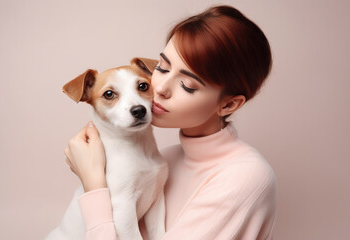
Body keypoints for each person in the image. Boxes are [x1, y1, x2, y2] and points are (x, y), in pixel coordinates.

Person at [64, 4, 277, 240]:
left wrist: (93, 183)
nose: (160, 88)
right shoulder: (169, 157)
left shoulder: (244, 177)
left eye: (187, 85)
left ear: (227, 105)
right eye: (162, 68)